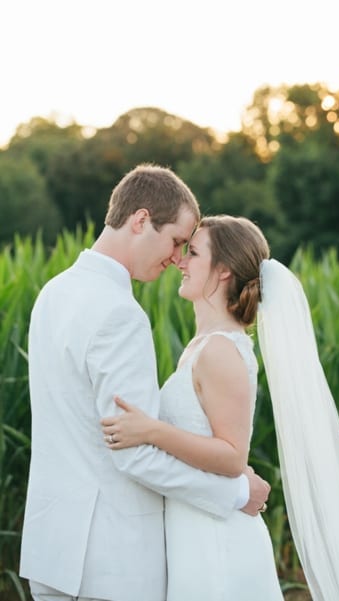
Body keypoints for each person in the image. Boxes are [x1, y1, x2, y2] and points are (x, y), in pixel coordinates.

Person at [101, 215, 339, 600]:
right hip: (194, 529)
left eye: (192, 253)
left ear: (223, 270)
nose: (180, 262)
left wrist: (151, 430)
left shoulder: (221, 350)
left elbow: (230, 455)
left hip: (217, 542)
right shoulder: (202, 347)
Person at [20, 165, 271, 601]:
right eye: (176, 241)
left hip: (52, 551)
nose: (177, 258)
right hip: (110, 561)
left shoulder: (52, 293)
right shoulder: (121, 314)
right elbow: (133, 456)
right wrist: (234, 491)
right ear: (140, 221)